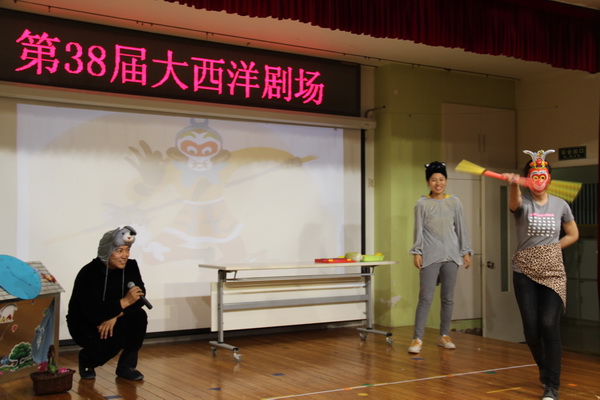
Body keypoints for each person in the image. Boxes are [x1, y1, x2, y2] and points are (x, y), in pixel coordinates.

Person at [503, 150, 578, 400]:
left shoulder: (561, 205)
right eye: (533, 176)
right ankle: (546, 371)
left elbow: (573, 234)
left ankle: (552, 386)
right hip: (524, 271)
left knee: (549, 325)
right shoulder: (522, 202)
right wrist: (513, 185)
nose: (538, 180)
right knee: (532, 331)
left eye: (542, 175)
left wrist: (552, 248)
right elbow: (514, 204)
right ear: (527, 179)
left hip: (553, 271)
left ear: (549, 178)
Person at [67, 226, 149, 381]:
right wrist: (124, 302)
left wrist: (115, 315)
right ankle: (87, 359)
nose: (125, 255)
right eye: (119, 251)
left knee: (139, 316)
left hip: (113, 317)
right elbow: (92, 312)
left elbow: (139, 298)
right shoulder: (88, 273)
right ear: (107, 251)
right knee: (114, 340)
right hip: (86, 324)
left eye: (127, 250)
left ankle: (127, 366)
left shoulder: (131, 266)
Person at [408, 161, 472, 353]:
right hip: (430, 256)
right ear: (428, 182)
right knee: (425, 298)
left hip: (451, 256)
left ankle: (444, 335)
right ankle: (417, 338)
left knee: (448, 299)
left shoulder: (455, 202)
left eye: (441, 179)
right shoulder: (422, 204)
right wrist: (417, 252)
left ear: (446, 180)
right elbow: (418, 230)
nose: (438, 183)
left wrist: (465, 251)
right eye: (434, 180)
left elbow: (461, 228)